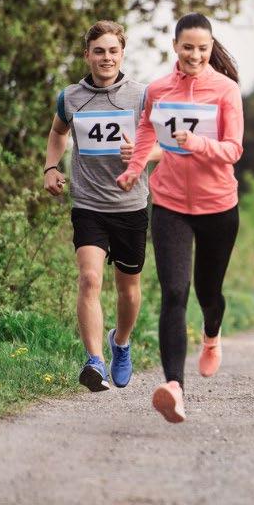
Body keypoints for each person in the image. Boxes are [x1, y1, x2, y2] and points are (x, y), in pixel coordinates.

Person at [116, 12, 243, 423]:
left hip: (218, 205)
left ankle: (211, 334)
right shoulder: (158, 89)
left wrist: (197, 144)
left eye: (202, 48)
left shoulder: (225, 91)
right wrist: (135, 169)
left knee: (209, 292)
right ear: (175, 46)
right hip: (170, 203)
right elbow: (146, 132)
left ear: (211, 48)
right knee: (174, 292)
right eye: (187, 47)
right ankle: (174, 388)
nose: (195, 55)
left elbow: (234, 149)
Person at [44, 20, 159, 392]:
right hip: (88, 204)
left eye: (112, 51)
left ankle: (120, 343)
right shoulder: (71, 97)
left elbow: (165, 144)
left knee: (129, 290)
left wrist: (141, 154)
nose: (106, 58)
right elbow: (58, 132)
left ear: (122, 54)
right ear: (87, 55)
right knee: (90, 279)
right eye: (98, 51)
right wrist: (50, 167)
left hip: (130, 205)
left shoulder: (142, 96)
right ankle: (94, 362)